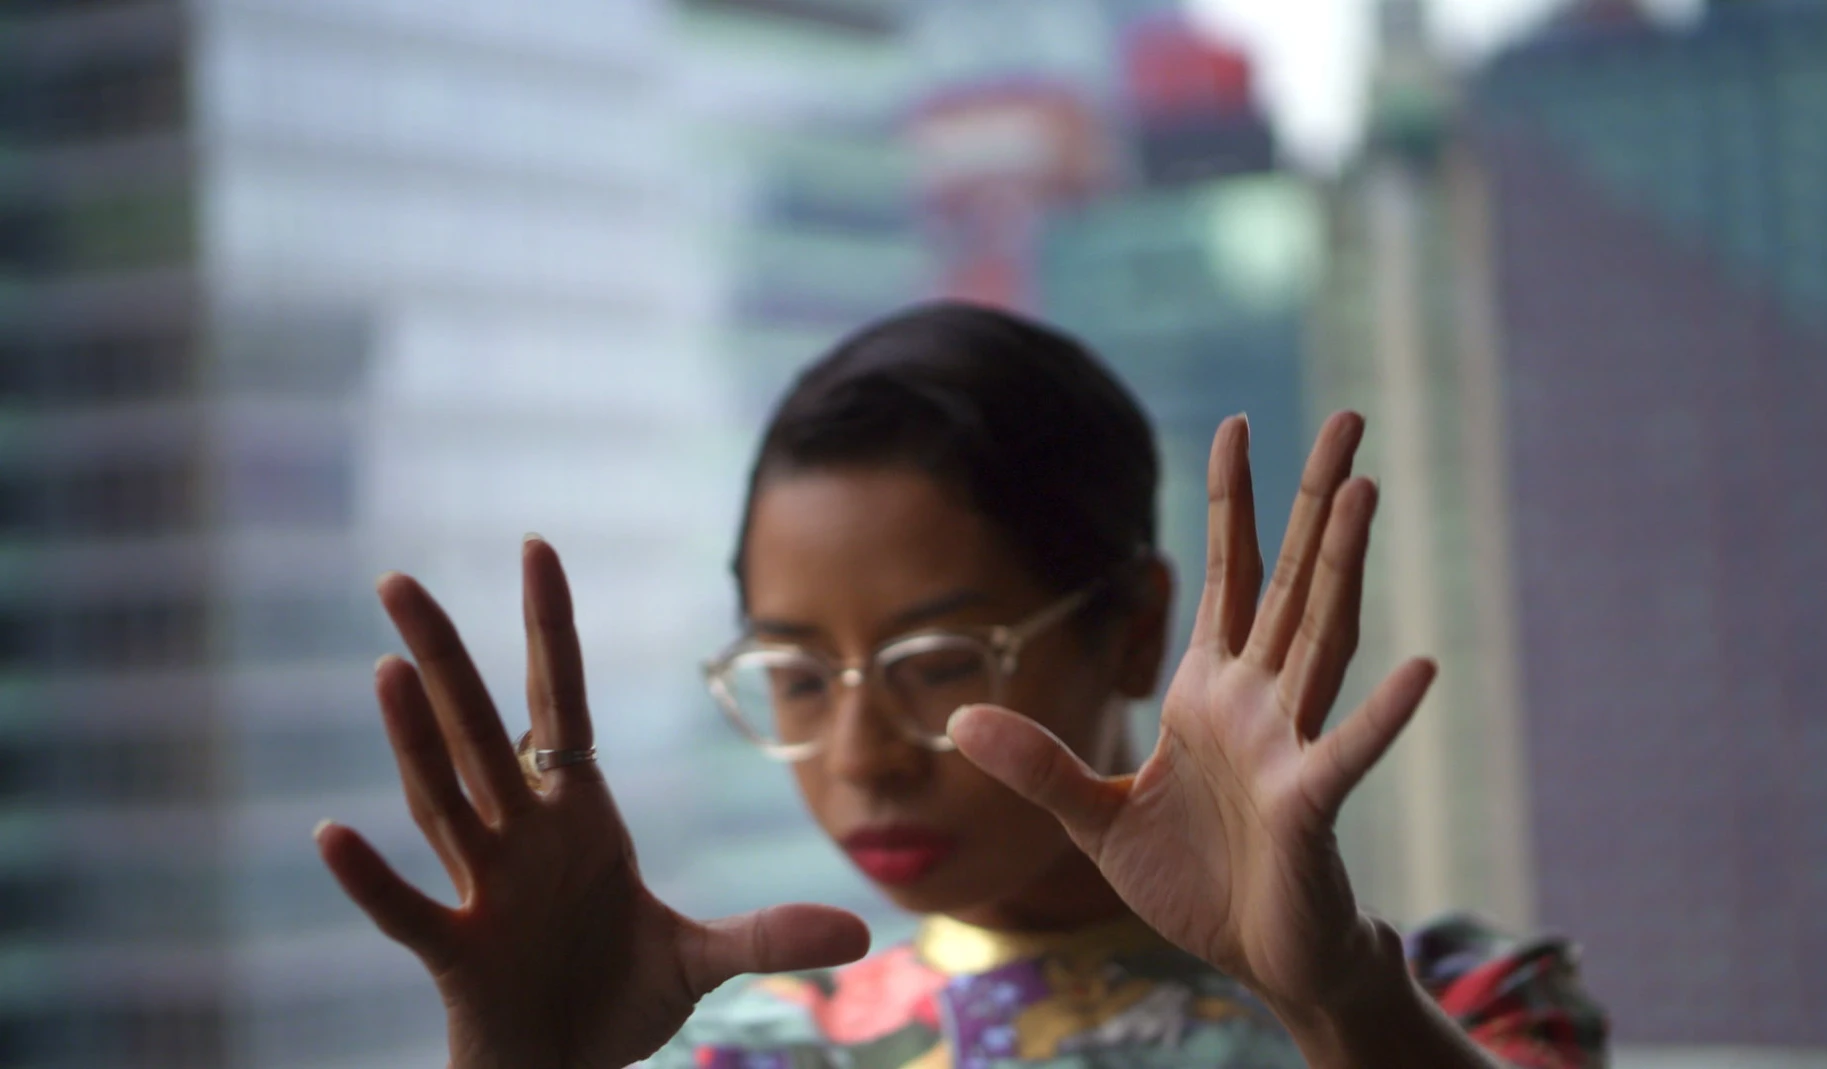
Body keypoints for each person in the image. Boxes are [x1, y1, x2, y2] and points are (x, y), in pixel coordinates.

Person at [313, 303, 1604, 1069]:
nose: (862, 751)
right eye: (798, 678)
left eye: (935, 666)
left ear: (1132, 629)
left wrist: (1341, 1009)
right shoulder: (753, 1051)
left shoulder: (1450, 1001)